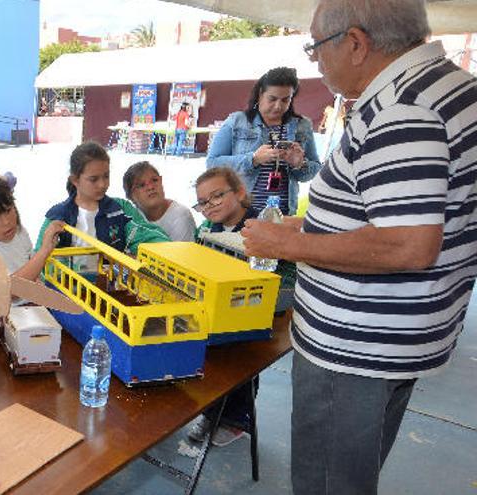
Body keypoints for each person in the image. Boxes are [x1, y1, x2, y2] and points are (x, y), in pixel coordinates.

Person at [241, 1, 477, 493]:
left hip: (354, 352)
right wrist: (310, 222)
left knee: (329, 483)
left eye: (315, 47)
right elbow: (396, 208)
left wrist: (293, 243)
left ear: (355, 42)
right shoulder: (450, 89)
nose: (315, 63)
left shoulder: (402, 110)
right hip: (398, 337)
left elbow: (408, 244)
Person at [185, 167, 261, 446]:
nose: (209, 206)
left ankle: (236, 420)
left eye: (217, 196)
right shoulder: (206, 229)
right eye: (203, 202)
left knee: (240, 367)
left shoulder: (260, 226)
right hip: (212, 310)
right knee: (210, 366)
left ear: (239, 192)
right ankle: (211, 413)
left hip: (248, 312)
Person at [35, 141, 170, 271]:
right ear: (75, 180)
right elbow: (39, 262)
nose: (102, 184)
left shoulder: (120, 210)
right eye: (94, 179)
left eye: (106, 176)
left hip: (111, 291)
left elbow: (152, 238)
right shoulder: (57, 217)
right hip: (68, 292)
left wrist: (137, 258)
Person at [206, 67, 321, 216]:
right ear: (260, 94)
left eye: (286, 100)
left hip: (282, 215)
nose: (278, 106)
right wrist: (253, 159)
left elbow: (315, 169)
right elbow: (212, 164)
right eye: (272, 99)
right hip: (240, 213)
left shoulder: (302, 126)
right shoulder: (237, 121)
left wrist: (299, 164)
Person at [0, 175, 66, 281]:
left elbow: (32, 266)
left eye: (8, 210)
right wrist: (44, 250)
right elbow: (10, 290)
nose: (6, 222)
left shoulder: (19, 232)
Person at [122, 161, 196, 242]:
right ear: (130, 196)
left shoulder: (181, 216)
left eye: (154, 180)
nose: (150, 187)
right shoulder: (131, 216)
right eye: (141, 185)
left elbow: (179, 254)